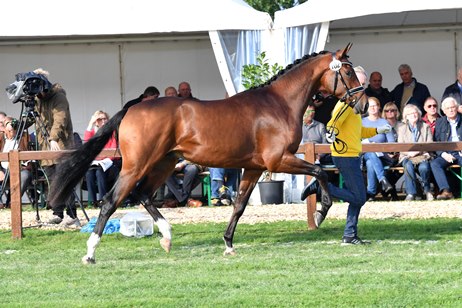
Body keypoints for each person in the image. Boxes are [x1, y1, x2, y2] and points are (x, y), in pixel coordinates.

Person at [303, 66, 391, 245]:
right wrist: (331, 132)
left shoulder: (354, 104)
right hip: (345, 155)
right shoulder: (346, 103)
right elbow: (333, 123)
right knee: (360, 197)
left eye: (364, 84)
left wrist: (377, 130)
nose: (362, 87)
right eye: (360, 83)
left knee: (357, 198)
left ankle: (349, 235)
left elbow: (358, 132)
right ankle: (321, 188)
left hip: (352, 154)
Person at [33, 68, 78, 226]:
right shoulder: (37, 100)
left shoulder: (59, 97)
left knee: (64, 180)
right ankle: (57, 212)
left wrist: (53, 139)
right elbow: (35, 119)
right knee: (52, 181)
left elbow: (61, 119)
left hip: (60, 144)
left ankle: (72, 214)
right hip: (45, 146)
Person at [361, 97, 396, 201]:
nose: (372, 108)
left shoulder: (384, 123)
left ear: (379, 107)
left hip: (381, 155)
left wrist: (378, 146)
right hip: (363, 154)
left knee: (370, 163)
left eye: (374, 105)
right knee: (370, 153)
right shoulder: (361, 122)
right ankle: (383, 180)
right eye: (370, 105)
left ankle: (371, 193)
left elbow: (391, 142)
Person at [397, 104, 434, 201]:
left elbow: (429, 143)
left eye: (415, 112)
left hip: (422, 155)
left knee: (424, 167)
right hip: (407, 156)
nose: (413, 115)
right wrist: (409, 153)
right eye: (410, 113)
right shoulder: (402, 128)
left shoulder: (425, 126)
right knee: (408, 166)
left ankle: (427, 191)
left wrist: (417, 151)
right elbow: (400, 146)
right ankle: (411, 193)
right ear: (406, 117)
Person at [84, 110, 120, 207]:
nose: (103, 121)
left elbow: (113, 150)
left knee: (100, 173)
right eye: (100, 119)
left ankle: (103, 200)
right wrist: (90, 124)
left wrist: (103, 159)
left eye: (105, 119)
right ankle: (92, 201)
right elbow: (87, 143)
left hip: (109, 162)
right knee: (89, 174)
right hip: (95, 163)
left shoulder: (112, 133)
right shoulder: (93, 133)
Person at [430, 97, 462, 200]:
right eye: (448, 108)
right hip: (446, 153)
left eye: (453, 107)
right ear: (444, 111)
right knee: (435, 163)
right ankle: (446, 191)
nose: (451, 110)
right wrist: (443, 154)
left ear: (457, 108)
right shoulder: (439, 122)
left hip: (460, 152)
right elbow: (436, 142)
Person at [0, 116, 33, 209]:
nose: (12, 132)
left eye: (13, 129)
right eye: (9, 130)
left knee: (25, 175)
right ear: (4, 129)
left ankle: (13, 202)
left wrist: (16, 127)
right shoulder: (0, 138)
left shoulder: (23, 136)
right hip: (3, 169)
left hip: (20, 169)